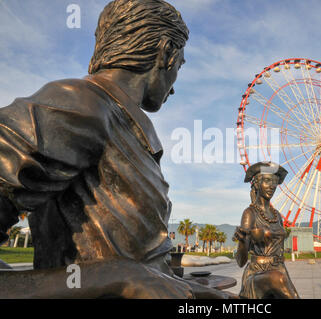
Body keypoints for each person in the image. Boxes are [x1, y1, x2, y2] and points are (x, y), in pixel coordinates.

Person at [0, 0, 226, 299]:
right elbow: (135, 276)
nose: (173, 88)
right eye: (180, 66)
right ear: (166, 52)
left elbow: (150, 271)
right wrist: (117, 276)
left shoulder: (122, 120)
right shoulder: (80, 104)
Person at [233, 162, 299, 299]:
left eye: (275, 182)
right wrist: (243, 240)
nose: (272, 186)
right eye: (267, 181)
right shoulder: (250, 213)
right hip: (258, 273)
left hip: (279, 269)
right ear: (257, 184)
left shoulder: (277, 215)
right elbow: (241, 261)